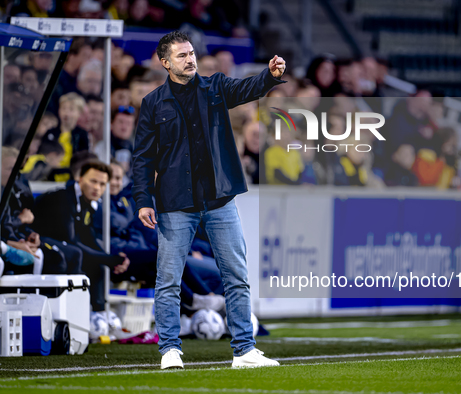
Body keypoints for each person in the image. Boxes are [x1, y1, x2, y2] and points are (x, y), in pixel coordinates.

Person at [132, 31, 285, 369]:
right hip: (175, 202)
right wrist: (143, 199)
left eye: (191, 53)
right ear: (165, 62)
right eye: (182, 55)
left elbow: (247, 89)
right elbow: (142, 157)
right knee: (168, 279)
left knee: (237, 275)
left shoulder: (215, 86)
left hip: (219, 198)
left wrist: (269, 77)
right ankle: (170, 349)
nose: (190, 59)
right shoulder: (153, 103)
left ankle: (244, 350)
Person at [32, 161, 130, 312]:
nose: (97, 188)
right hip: (37, 241)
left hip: (62, 245)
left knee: (98, 265)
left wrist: (112, 259)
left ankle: (99, 313)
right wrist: (110, 260)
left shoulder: (89, 203)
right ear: (80, 179)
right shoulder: (63, 199)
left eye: (102, 184)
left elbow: (88, 238)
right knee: (75, 254)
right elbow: (71, 240)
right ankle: (73, 312)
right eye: (93, 181)